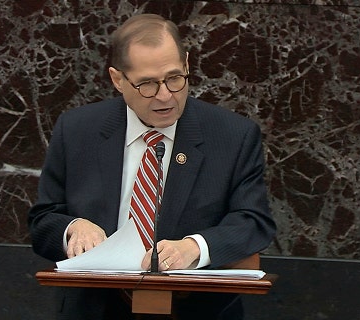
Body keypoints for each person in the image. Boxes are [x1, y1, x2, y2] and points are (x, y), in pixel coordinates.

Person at [28, 13, 276, 320]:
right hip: (95, 309)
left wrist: (194, 248)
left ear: (187, 65)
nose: (165, 96)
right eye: (147, 84)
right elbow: (43, 222)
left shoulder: (232, 136)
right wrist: (73, 228)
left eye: (174, 78)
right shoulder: (78, 131)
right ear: (118, 79)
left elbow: (253, 222)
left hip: (195, 310)